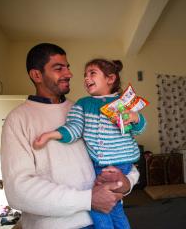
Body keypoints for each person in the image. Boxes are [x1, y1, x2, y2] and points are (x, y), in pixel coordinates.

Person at [0, 43, 139, 229]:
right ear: (36, 75)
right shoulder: (18, 119)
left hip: (107, 215)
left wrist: (127, 182)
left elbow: (119, 152)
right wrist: (87, 200)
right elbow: (18, 191)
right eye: (59, 68)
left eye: (68, 67)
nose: (69, 74)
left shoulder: (85, 109)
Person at [33, 58, 147, 229]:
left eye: (92, 73)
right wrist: (51, 135)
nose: (86, 78)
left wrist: (135, 117)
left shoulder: (123, 103)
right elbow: (74, 128)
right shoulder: (83, 104)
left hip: (121, 163)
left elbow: (139, 129)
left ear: (110, 78)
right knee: (112, 207)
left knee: (98, 207)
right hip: (97, 165)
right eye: (85, 75)